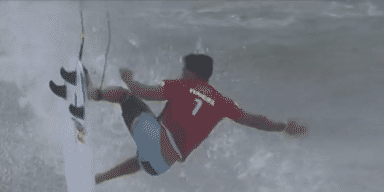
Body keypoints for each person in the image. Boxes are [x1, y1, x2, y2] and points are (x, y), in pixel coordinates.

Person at [79, 54, 307, 184]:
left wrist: (128, 78)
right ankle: (98, 179)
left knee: (123, 95)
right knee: (143, 160)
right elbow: (255, 120)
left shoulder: (183, 85)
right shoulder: (222, 102)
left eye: (183, 69)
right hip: (160, 165)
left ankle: (90, 93)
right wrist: (284, 126)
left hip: (155, 141)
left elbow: (142, 91)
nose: (181, 72)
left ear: (191, 72)